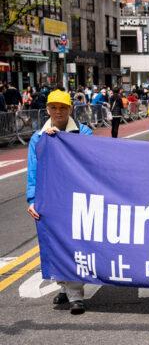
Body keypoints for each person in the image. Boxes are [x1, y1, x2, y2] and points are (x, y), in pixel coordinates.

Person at [26, 90, 93, 315]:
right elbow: (33, 171)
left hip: (76, 198)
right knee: (56, 245)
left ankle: (76, 296)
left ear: (70, 109)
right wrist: (32, 199)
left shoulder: (83, 132)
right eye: (54, 107)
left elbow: (92, 161)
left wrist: (64, 141)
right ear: (47, 110)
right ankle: (65, 287)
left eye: (63, 107)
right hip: (50, 198)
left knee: (73, 243)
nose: (58, 111)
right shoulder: (38, 137)